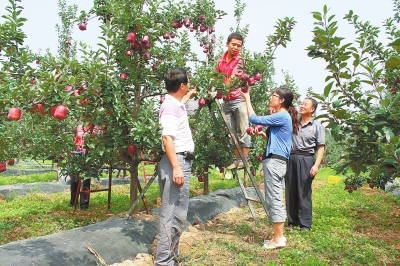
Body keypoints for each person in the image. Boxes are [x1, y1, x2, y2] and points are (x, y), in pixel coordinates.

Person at [241, 87, 299, 249]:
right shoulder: (283, 117)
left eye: (274, 95)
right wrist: (263, 135)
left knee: (274, 199)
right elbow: (278, 142)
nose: (270, 97)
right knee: (274, 197)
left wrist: (247, 98)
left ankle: (278, 239)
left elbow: (253, 118)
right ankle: (278, 236)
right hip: (277, 161)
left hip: (274, 162)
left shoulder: (281, 115)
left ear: (281, 100)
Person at [155, 67, 195, 266]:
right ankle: (163, 261)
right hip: (176, 161)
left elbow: (182, 101)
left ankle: (172, 256)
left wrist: (191, 94)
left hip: (179, 160)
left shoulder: (175, 103)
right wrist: (177, 167)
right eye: (187, 83)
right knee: (171, 215)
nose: (188, 85)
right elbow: (167, 137)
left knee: (178, 213)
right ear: (181, 85)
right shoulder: (170, 107)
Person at [285, 97, 325, 232]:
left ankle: (305, 223)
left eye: (305, 104)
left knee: (304, 191)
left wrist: (316, 165)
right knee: (290, 189)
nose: (302, 106)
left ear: (312, 109)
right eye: (301, 104)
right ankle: (292, 220)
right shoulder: (294, 123)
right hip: (292, 157)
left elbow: (320, 147)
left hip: (306, 159)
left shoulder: (317, 125)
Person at [215, 32, 251, 170]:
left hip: (239, 98)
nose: (236, 47)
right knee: (230, 131)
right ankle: (238, 159)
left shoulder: (240, 61)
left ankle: (245, 160)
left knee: (243, 128)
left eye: (239, 46)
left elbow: (234, 78)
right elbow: (216, 76)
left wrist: (220, 88)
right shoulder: (220, 61)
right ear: (227, 44)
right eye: (233, 44)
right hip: (226, 100)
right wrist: (213, 87)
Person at [69, 121, 99, 210]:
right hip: (77, 154)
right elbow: (76, 141)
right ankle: (73, 201)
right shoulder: (79, 127)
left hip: (88, 156)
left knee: (86, 181)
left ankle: (84, 205)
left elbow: (96, 142)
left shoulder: (95, 128)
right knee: (74, 179)